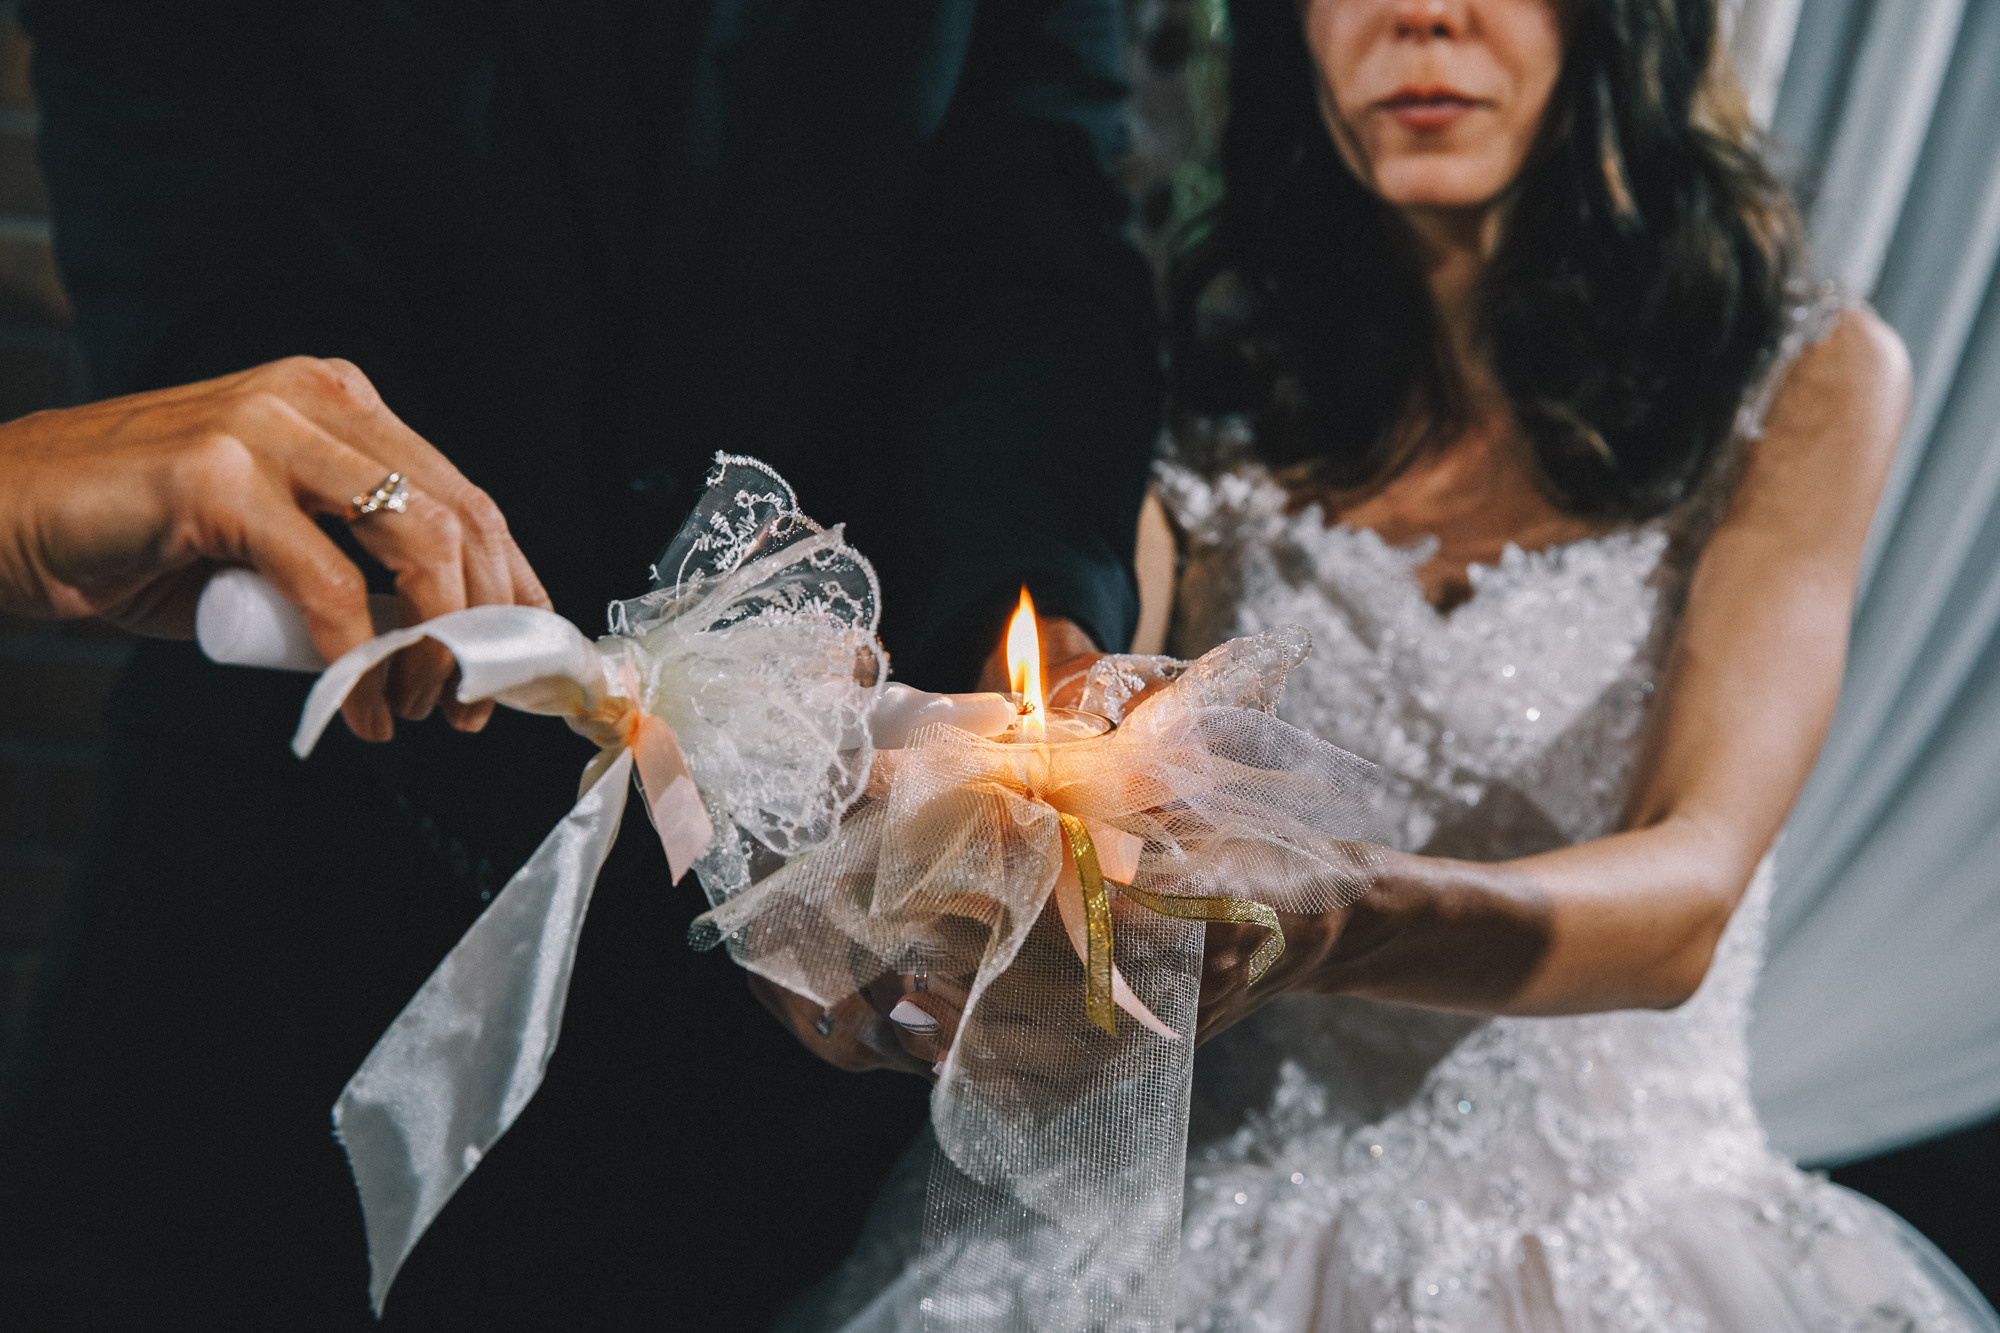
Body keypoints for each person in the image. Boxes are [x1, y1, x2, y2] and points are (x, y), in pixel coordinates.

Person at [807, 0, 2000, 1327]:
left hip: (1623, 1250)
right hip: (1202, 1247)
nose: (1424, 18)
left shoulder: (1799, 379)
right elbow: (1084, 705)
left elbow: (1689, 896)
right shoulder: (1201, 382)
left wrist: (1332, 919)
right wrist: (937, 858)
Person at [0, 1, 1158, 1327]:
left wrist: (1023, 660)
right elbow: (215, 283)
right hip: (285, 943)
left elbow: (1033, 239)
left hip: (788, 1071)